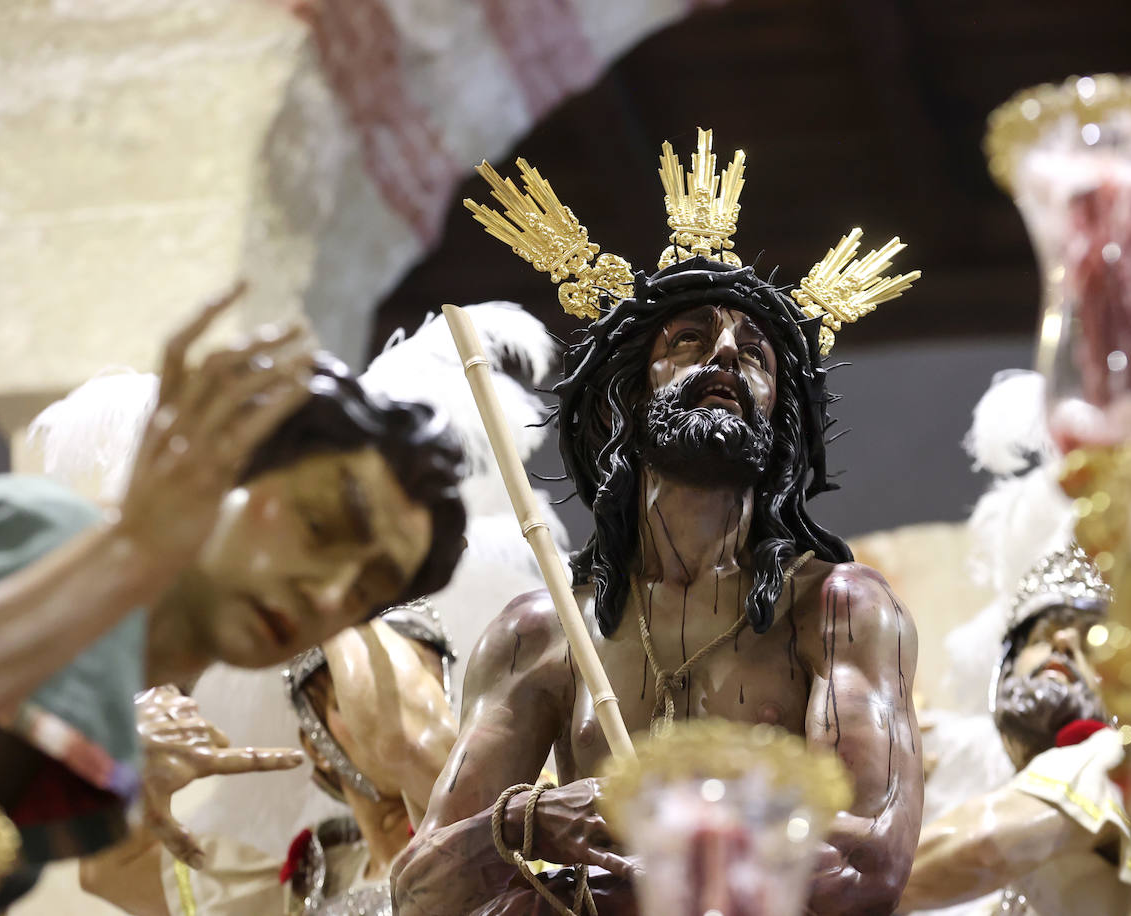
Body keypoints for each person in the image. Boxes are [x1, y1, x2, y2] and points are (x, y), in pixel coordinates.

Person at [393, 129, 925, 914]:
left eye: (756, 354)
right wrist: (532, 820)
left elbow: (867, 862)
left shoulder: (838, 611)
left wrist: (648, 846)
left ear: (779, 417)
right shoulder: (542, 636)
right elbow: (421, 888)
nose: (725, 357)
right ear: (632, 394)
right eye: (689, 339)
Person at [0, 286, 467, 906]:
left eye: (367, 592)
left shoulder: (104, 755)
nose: (329, 593)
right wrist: (126, 556)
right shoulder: (45, 530)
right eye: (318, 526)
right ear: (237, 464)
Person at [78, 598, 458, 916]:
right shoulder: (298, 890)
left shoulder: (476, 828)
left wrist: (330, 594)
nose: (413, 710)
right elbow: (107, 869)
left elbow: (407, 741)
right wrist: (135, 748)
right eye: (357, 694)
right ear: (315, 747)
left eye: (430, 696)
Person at [899, 543, 1131, 914]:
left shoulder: (1112, 760)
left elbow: (982, 846)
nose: (1063, 641)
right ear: (1004, 671)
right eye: (1041, 638)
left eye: (1091, 642)